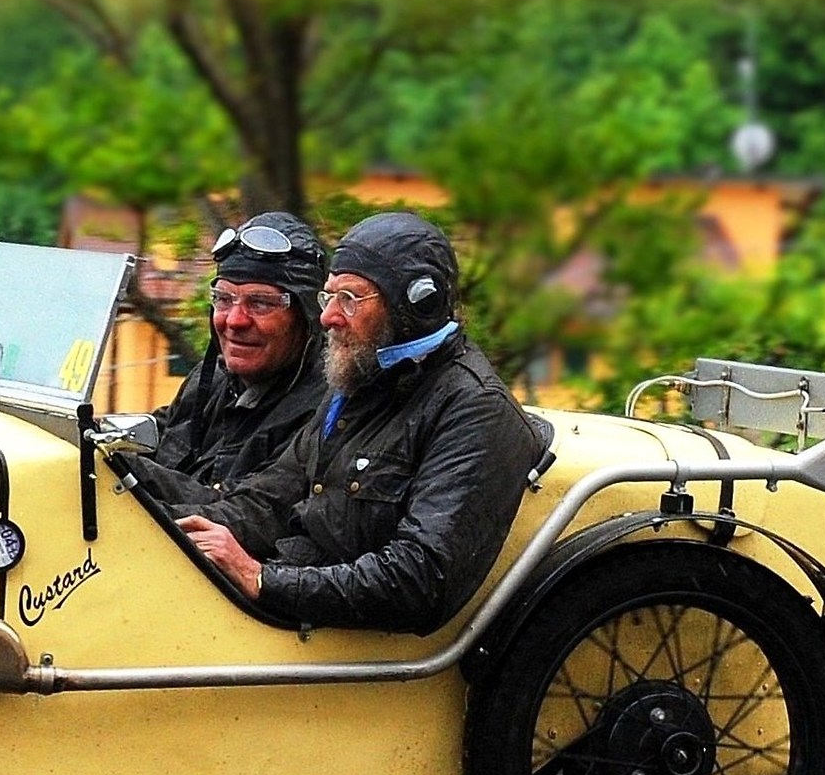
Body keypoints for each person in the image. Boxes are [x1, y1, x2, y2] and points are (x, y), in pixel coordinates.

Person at [170, 211, 548, 634]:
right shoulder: (360, 379)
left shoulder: (475, 411)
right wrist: (161, 526)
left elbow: (421, 581)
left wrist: (263, 579)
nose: (329, 317)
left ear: (414, 307)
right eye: (328, 297)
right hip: (289, 611)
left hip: (329, 641)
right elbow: (267, 500)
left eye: (348, 299)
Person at [127, 212, 330, 501]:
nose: (234, 320)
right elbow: (150, 433)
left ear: (307, 315)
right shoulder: (211, 379)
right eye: (224, 299)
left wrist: (120, 467)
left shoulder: (326, 409)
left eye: (259, 303)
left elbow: (242, 512)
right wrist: (88, 438)